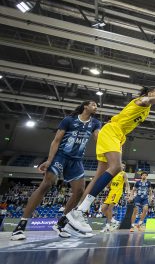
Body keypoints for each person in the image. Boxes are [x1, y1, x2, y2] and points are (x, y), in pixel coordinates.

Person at [66, 86, 155, 233]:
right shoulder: (142, 101)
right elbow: (149, 99)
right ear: (149, 93)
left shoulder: (146, 109)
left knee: (98, 176)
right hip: (112, 131)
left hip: (118, 135)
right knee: (117, 167)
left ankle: (72, 216)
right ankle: (79, 212)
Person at [11, 100, 101, 240]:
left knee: (79, 191)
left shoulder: (95, 123)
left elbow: (98, 139)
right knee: (47, 184)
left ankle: (61, 224)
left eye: (97, 106)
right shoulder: (69, 120)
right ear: (85, 106)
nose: (96, 107)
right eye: (93, 104)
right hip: (61, 156)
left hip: (76, 160)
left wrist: (114, 139)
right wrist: (49, 160)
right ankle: (20, 226)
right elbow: (56, 140)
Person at [100, 161, 130, 233]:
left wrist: (128, 191)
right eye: (121, 166)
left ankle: (108, 225)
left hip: (117, 192)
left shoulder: (123, 174)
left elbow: (127, 183)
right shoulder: (113, 174)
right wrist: (106, 187)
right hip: (111, 192)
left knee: (110, 208)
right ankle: (113, 221)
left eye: (123, 166)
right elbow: (109, 183)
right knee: (103, 208)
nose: (122, 167)